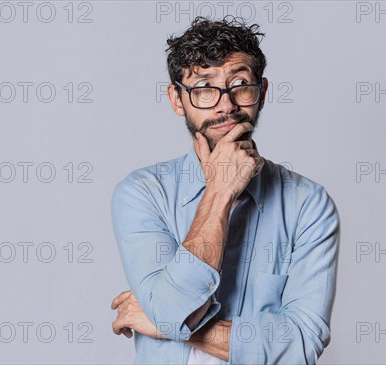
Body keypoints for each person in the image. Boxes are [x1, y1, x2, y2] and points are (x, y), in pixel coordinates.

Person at [110, 16, 340, 365]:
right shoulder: (143, 193)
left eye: (240, 84)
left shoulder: (308, 204)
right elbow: (173, 310)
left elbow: (302, 345)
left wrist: (167, 323)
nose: (226, 104)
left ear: (261, 93)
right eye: (204, 87)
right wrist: (220, 192)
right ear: (177, 99)